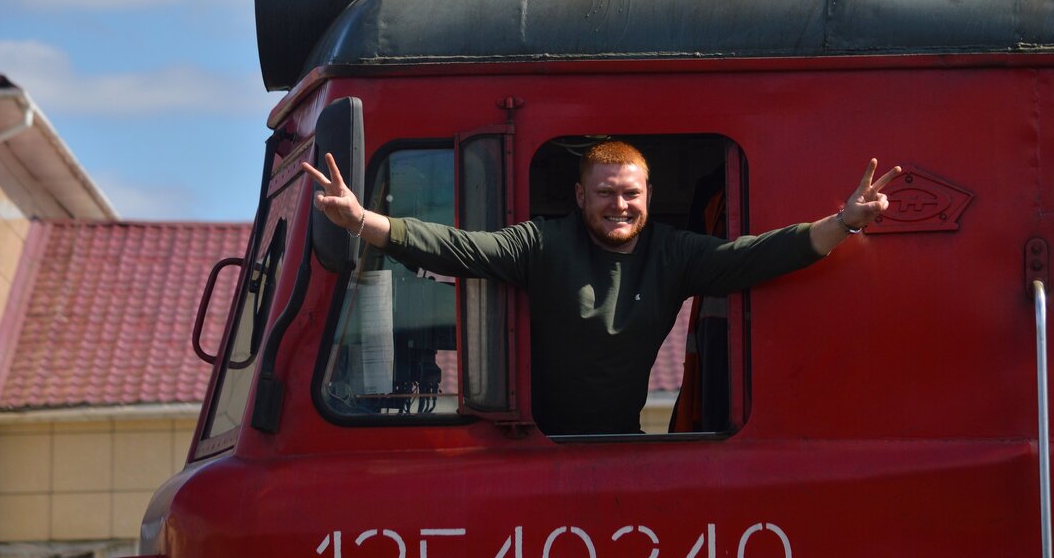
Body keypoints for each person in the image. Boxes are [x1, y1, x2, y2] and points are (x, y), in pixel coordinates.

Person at [304, 141, 900, 435]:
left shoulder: (675, 252)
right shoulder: (542, 244)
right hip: (540, 443)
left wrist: (843, 223)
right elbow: (462, 249)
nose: (620, 204)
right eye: (606, 192)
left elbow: (753, 257)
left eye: (631, 193)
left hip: (621, 442)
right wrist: (361, 221)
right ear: (581, 197)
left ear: (645, 196)